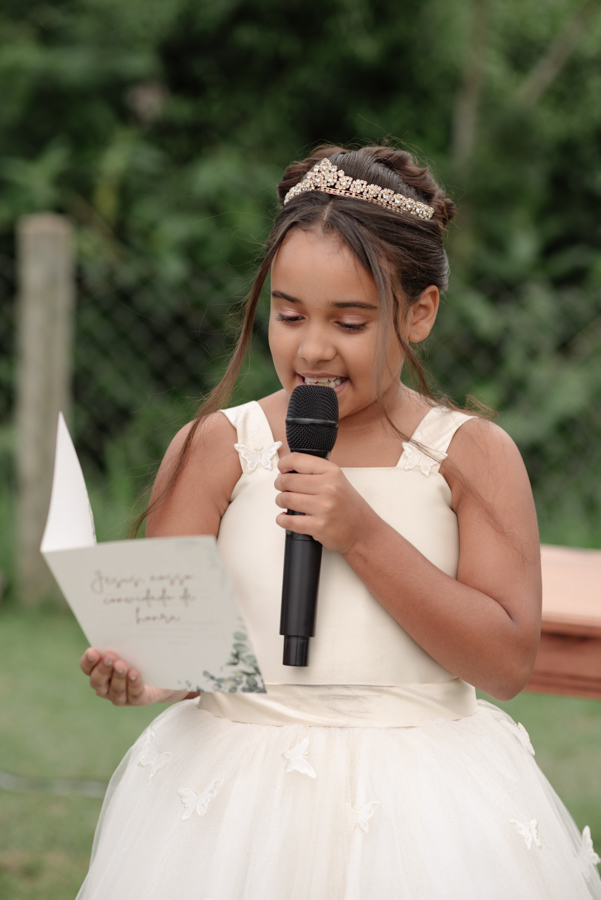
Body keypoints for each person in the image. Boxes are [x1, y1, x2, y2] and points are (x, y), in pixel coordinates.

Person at [77, 145, 601, 899]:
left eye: (349, 322)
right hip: (231, 805)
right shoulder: (217, 449)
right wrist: (140, 677)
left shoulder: (471, 457)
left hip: (424, 806)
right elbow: (177, 659)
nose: (311, 348)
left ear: (418, 313)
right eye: (288, 315)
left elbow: (506, 664)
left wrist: (361, 533)